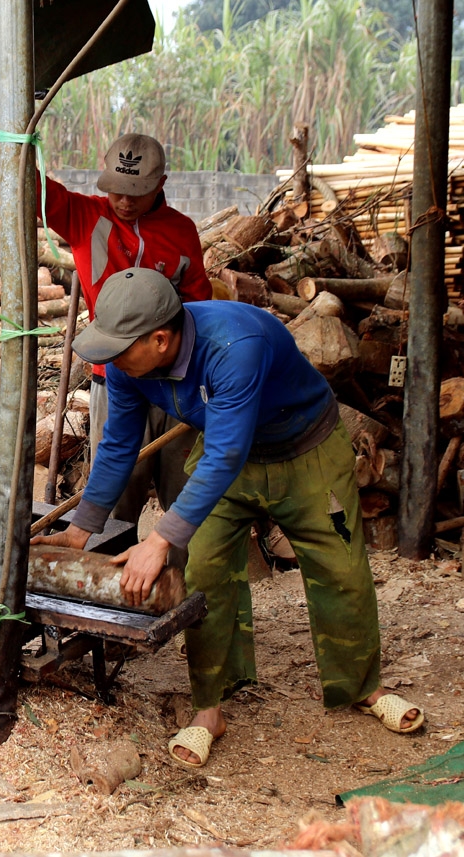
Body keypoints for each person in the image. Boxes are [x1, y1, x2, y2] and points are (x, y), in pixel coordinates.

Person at [33, 267, 423, 768]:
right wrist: (79, 530)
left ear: (159, 338)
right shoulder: (131, 367)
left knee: (341, 571)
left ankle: (363, 686)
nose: (110, 358)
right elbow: (118, 445)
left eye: (119, 347)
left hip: (306, 451)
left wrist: (159, 539)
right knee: (204, 574)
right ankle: (209, 708)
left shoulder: (236, 344)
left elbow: (225, 451)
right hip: (228, 462)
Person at [42, 133, 211, 530]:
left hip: (176, 380)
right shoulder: (84, 216)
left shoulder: (181, 231)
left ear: (161, 185)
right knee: (119, 482)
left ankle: (180, 582)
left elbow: (200, 305)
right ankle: (105, 577)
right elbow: (29, 187)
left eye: (136, 192)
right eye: (117, 190)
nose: (125, 201)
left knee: (183, 481)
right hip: (114, 376)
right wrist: (7, 126)